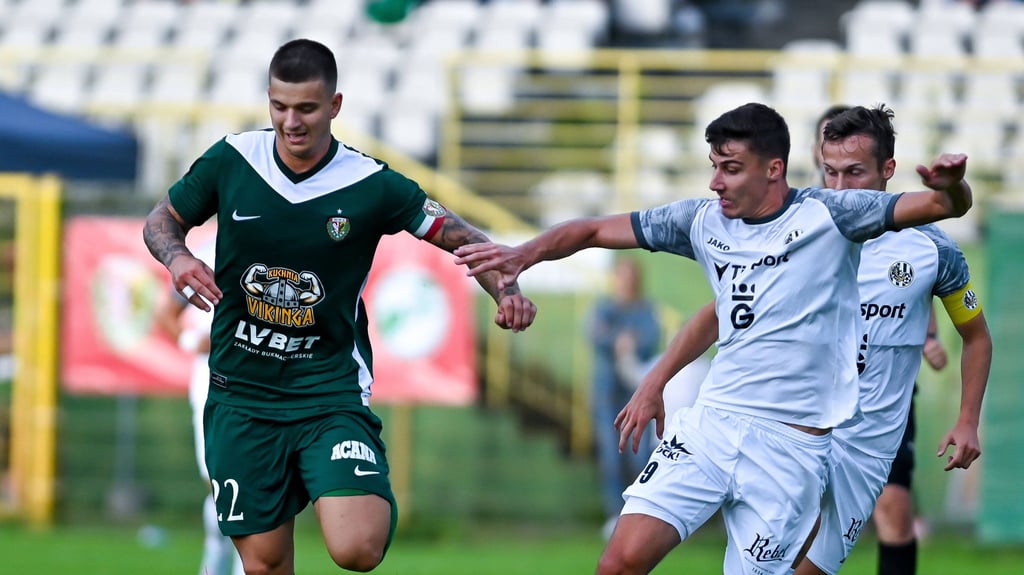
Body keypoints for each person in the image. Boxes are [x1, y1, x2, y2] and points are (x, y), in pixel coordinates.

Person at [453, 102, 973, 575]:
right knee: (618, 563)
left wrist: (952, 187)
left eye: (730, 168)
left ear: (773, 169)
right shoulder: (699, 222)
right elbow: (591, 230)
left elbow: (941, 208)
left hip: (791, 450)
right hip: (712, 425)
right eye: (713, 167)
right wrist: (523, 254)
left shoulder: (831, 214)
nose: (715, 183)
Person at [142, 38, 537, 575]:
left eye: (306, 108)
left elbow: (458, 235)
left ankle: (338, 474)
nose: (291, 121)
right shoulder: (233, 160)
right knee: (263, 565)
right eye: (279, 106)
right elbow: (160, 221)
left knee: (357, 548)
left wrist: (506, 290)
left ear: (335, 105)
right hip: (241, 397)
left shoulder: (370, 183)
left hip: (326, 392)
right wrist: (178, 258)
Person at [792, 105, 992, 575]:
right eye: (831, 173)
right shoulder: (797, 230)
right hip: (797, 426)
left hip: (872, 433)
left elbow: (977, 337)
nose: (840, 190)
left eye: (855, 173)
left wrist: (967, 421)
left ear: (888, 170)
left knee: (894, 513)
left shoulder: (932, 249)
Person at [153, 240, 245, 575]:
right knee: (218, 481)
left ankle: (244, 566)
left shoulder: (280, 245)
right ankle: (216, 557)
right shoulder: (208, 255)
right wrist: (193, 341)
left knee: (255, 480)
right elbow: (166, 313)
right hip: (213, 384)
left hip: (265, 382)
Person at [587, 257, 662, 538]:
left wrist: (630, 342)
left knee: (640, 454)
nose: (626, 283)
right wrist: (619, 340)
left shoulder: (647, 310)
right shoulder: (604, 308)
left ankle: (643, 515)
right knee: (611, 456)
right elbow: (595, 334)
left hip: (637, 395)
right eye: (622, 277)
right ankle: (614, 517)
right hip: (607, 394)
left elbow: (650, 339)